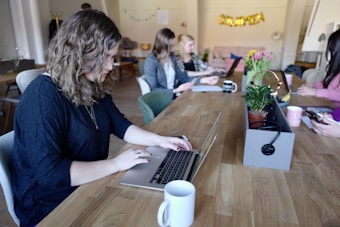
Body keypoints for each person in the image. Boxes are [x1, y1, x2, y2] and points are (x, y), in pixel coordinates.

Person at [11, 10, 192, 226]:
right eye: (105, 57)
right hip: (51, 208)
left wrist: (160, 140)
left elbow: (120, 125)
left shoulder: (89, 84)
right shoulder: (42, 96)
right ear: (79, 53)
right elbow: (51, 174)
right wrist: (116, 164)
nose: (110, 65)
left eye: (112, 57)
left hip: (89, 186)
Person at [144, 28, 219, 99]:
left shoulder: (172, 57)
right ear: (161, 45)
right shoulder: (151, 61)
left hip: (174, 95)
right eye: (170, 46)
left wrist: (205, 80)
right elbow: (153, 89)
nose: (172, 49)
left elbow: (183, 77)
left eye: (173, 45)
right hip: (163, 98)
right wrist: (175, 90)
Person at [297, 29, 340, 106]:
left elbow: (338, 95)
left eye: (333, 51)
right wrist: (313, 86)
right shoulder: (336, 68)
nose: (332, 54)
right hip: (327, 105)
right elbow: (327, 85)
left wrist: (316, 92)